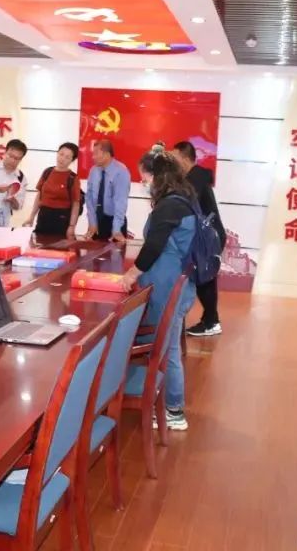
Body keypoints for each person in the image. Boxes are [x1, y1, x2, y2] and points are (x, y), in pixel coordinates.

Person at [115, 151, 197, 431]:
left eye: (145, 177)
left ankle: (174, 410)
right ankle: (165, 402)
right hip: (177, 282)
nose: (143, 183)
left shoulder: (169, 206)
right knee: (166, 344)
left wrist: (131, 274)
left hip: (167, 283)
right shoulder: (182, 199)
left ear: (158, 176)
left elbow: (153, 247)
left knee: (167, 346)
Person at [171, 141, 227, 337]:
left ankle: (211, 321)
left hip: (209, 237)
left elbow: (185, 203)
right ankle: (210, 320)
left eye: (175, 158)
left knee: (205, 278)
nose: (172, 162)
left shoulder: (195, 178)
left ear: (185, 159)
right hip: (206, 236)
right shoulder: (192, 177)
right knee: (204, 278)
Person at [24, 142, 81, 238]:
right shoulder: (47, 172)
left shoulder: (72, 178)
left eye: (67, 157)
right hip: (43, 216)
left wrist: (72, 226)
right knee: (40, 243)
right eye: (61, 154)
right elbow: (39, 196)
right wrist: (32, 216)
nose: (62, 159)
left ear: (72, 160)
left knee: (58, 246)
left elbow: (76, 204)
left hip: (61, 219)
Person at [84, 139, 130, 242]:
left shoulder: (121, 171)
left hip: (114, 221)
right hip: (96, 220)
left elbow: (120, 202)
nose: (93, 157)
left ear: (106, 154)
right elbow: (89, 198)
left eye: (96, 153)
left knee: (115, 252)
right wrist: (92, 222)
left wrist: (116, 229)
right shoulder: (93, 170)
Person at [0, 139, 28, 230]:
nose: (12, 160)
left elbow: (18, 206)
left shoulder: (21, 178)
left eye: (17, 158)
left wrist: (12, 199)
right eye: (10, 156)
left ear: (21, 159)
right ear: (5, 152)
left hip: (3, 224)